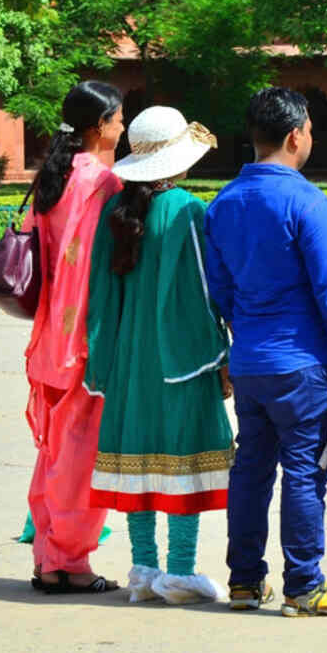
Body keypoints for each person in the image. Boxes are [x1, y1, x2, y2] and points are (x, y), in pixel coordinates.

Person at [204, 87, 327, 617]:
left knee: (251, 469)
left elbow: (221, 289)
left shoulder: (223, 203)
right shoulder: (305, 200)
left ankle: (245, 582)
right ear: (296, 134)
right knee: (302, 471)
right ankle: (304, 584)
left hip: (250, 361)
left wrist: (238, 341)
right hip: (299, 362)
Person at [84, 106, 234, 605]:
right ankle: (181, 570)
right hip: (178, 358)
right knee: (180, 457)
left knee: (139, 459)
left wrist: (101, 362)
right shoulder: (187, 210)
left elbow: (100, 298)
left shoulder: (118, 213)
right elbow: (200, 289)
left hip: (129, 359)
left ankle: (143, 569)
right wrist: (220, 352)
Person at [23, 81, 124, 594]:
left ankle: (49, 558)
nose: (123, 127)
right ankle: (70, 563)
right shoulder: (104, 182)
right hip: (86, 338)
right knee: (82, 458)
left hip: (48, 338)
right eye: (118, 119)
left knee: (54, 452)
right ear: (98, 126)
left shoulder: (53, 177)